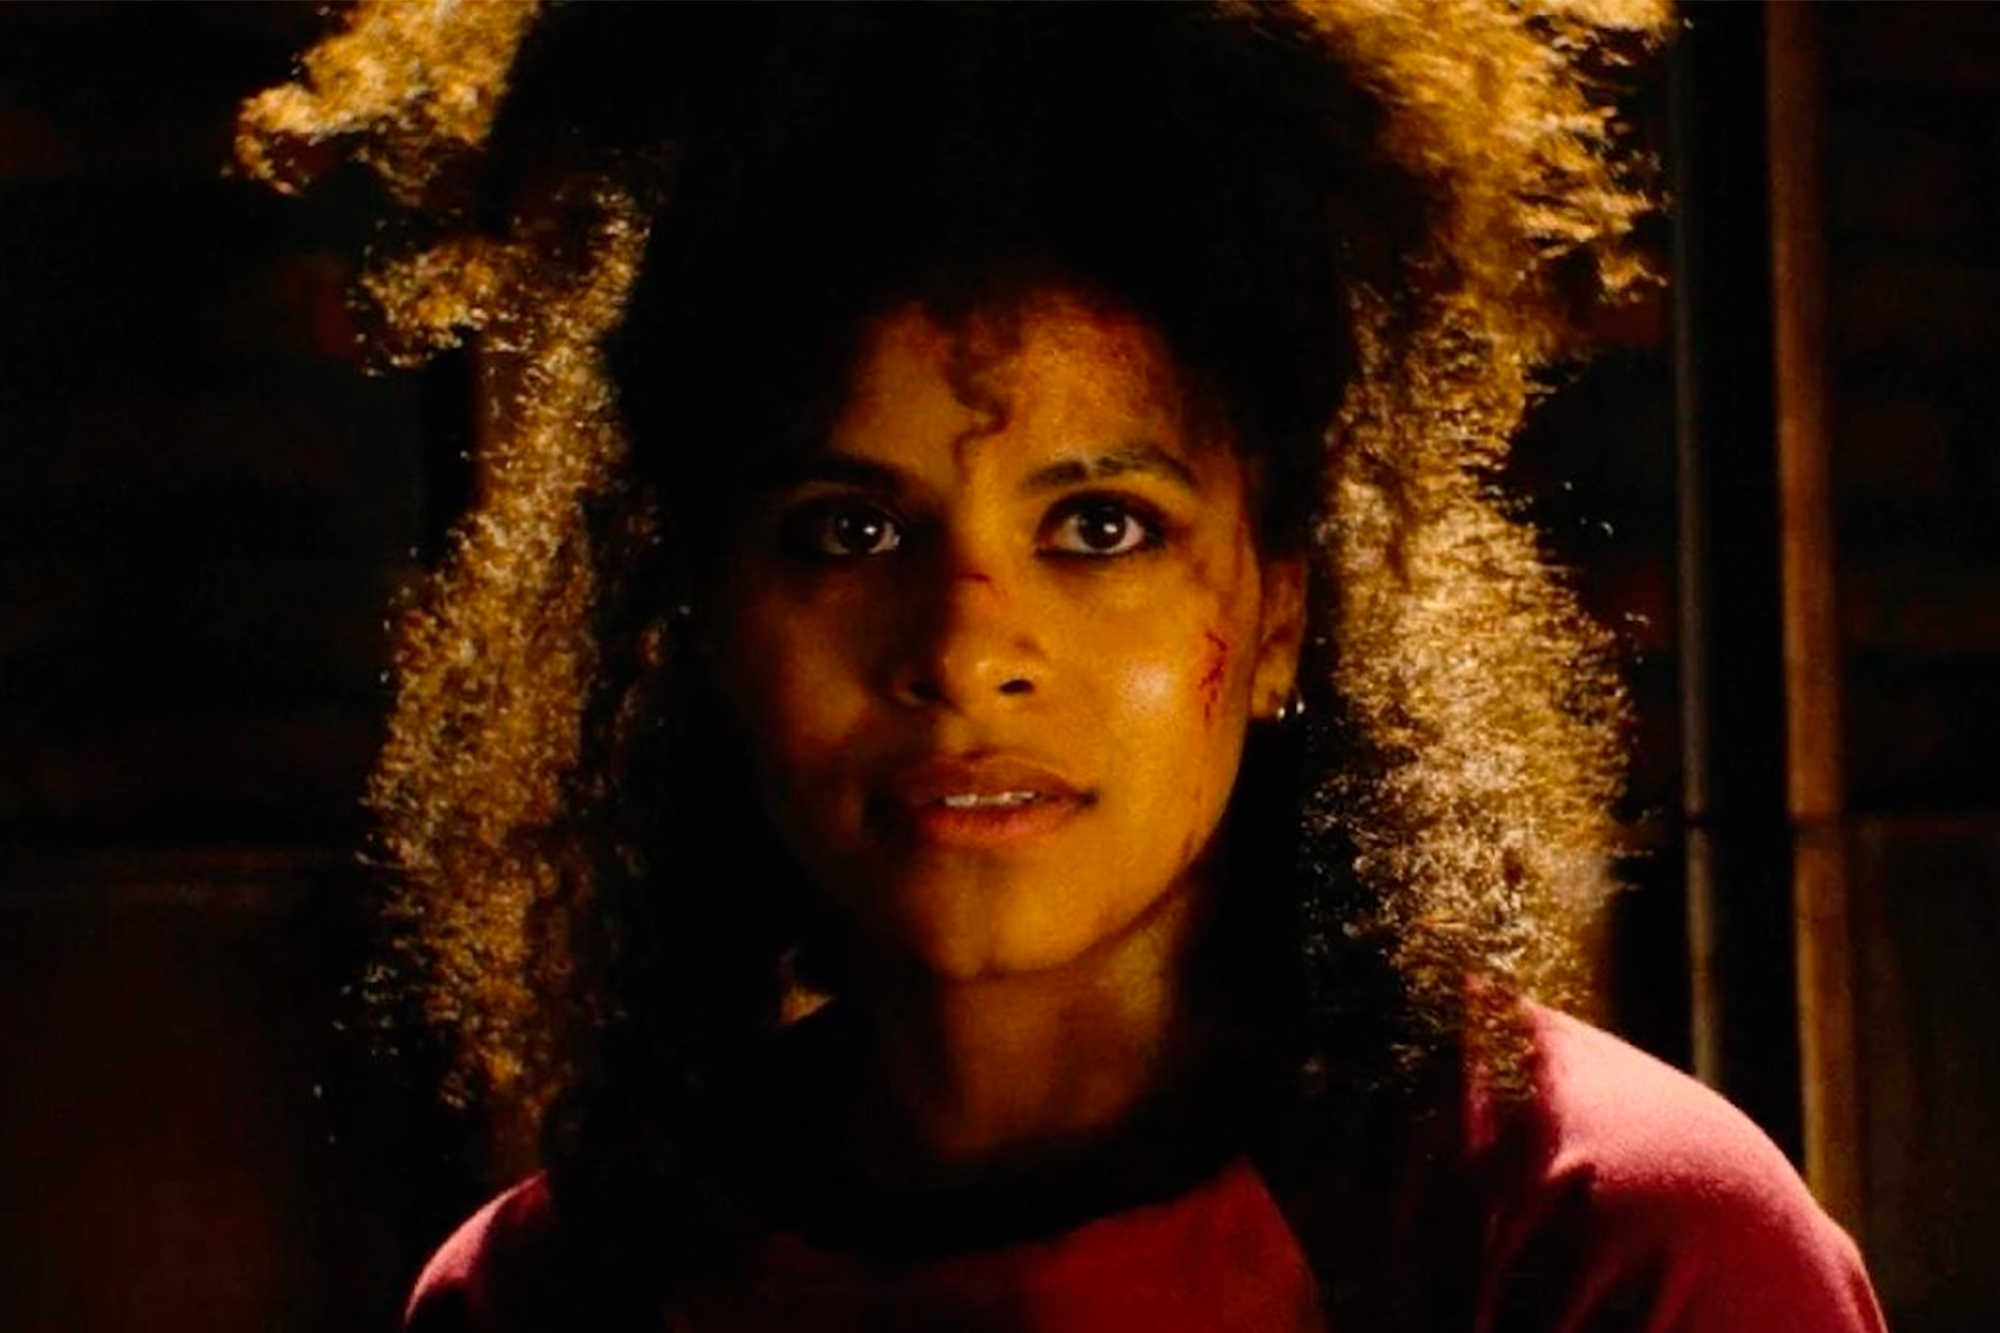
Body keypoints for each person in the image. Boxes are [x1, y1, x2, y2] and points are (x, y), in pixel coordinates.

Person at [241, 4, 1887, 1330]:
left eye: (1100, 527)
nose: (967, 652)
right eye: (848, 530)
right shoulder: (547, 1293)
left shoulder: (1608, 1245)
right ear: (703, 614)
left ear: (1282, 611)